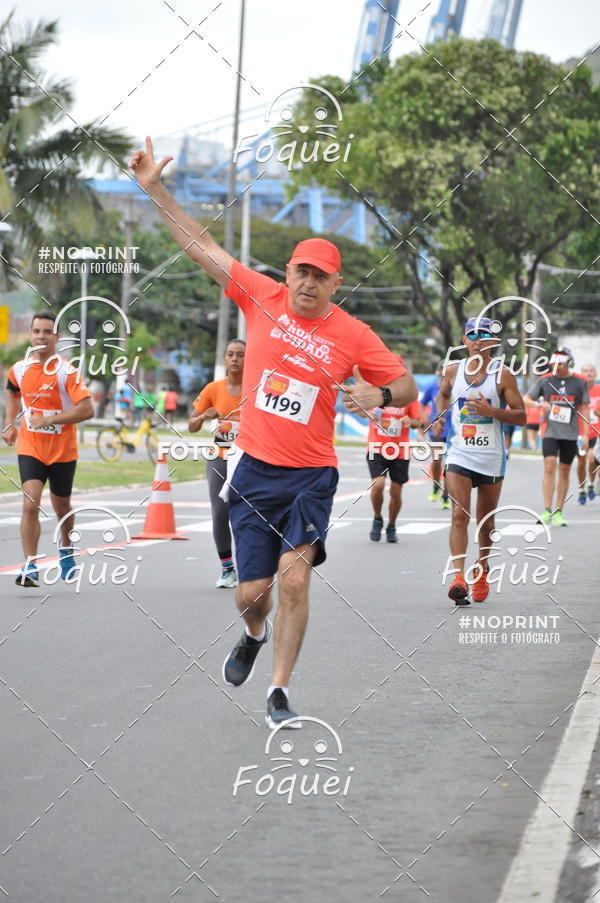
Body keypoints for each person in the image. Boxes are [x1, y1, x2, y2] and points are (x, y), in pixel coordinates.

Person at [130, 137, 418, 728]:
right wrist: (155, 190)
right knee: (251, 594)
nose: (309, 283)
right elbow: (200, 245)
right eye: (301, 271)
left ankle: (278, 692)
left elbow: (407, 383)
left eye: (321, 276)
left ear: (335, 284)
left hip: (312, 474)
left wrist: (381, 395)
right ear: (287, 272)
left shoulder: (354, 334)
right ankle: (253, 634)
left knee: (295, 580)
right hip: (255, 469)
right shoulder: (259, 295)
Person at [433, 317, 526, 604]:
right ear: (464, 340)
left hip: (491, 458)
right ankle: (458, 578)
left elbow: (522, 416)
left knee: (486, 524)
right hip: (460, 453)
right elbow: (443, 396)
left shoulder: (503, 375)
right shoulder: (452, 371)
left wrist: (493, 412)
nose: (477, 341)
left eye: (483, 336)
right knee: (459, 514)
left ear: (492, 342)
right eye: (472, 335)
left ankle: (482, 569)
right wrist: (440, 416)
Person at [2, 311, 94, 587]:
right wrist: (9, 423)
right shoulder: (19, 369)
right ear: (31, 335)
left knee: (61, 507)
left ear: (57, 337)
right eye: (36, 331)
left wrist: (51, 420)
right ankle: (30, 565)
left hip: (63, 450)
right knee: (30, 502)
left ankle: (66, 547)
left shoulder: (67, 372)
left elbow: (87, 410)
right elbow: (12, 392)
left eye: (46, 331)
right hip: (31, 446)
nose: (40, 336)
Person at [189, 341, 245, 588]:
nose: (234, 359)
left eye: (240, 355)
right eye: (230, 354)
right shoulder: (213, 388)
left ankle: (251, 566)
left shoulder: (256, 388)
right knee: (220, 512)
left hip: (248, 458)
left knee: (247, 514)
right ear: (224, 359)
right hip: (219, 456)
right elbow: (191, 425)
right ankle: (227, 569)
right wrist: (204, 415)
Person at [523, 347, 589, 526]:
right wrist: (539, 404)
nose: (557, 367)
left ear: (569, 363)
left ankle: (559, 511)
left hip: (571, 433)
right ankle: (546, 510)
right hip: (550, 431)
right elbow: (526, 399)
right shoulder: (545, 380)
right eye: (554, 364)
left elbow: (584, 409)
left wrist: (585, 434)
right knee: (549, 465)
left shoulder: (580, 382)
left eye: (561, 364)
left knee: (565, 469)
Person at [365, 393, 421, 542]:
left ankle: (391, 525)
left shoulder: (409, 395)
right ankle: (377, 518)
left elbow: (417, 422)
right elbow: (361, 410)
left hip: (400, 450)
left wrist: (410, 421)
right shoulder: (376, 391)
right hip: (376, 447)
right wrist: (368, 413)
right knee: (378, 485)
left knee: (396, 491)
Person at [420, 362, 451, 508]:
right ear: (438, 371)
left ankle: (446, 495)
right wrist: (425, 417)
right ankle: (436, 485)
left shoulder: (458, 388)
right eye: (442, 370)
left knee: (450, 465)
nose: (444, 373)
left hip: (453, 430)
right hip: (436, 429)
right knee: (437, 460)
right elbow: (422, 403)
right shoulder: (432, 388)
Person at [576, 364, 600, 503]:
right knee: (581, 462)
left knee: (592, 459)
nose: (589, 373)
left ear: (595, 374)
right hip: (580, 432)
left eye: (591, 371)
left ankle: (591, 483)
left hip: (596, 432)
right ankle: (581, 489)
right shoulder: (577, 391)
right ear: (581, 374)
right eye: (585, 371)